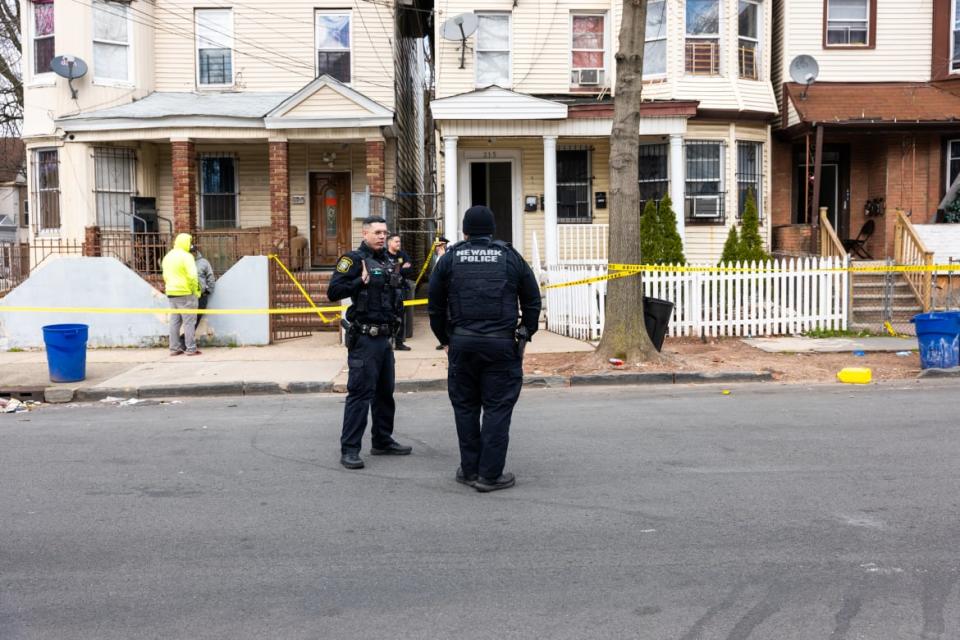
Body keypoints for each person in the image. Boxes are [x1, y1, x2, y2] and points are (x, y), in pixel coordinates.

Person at [428, 206, 541, 492]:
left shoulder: (450, 258)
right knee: (497, 409)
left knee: (465, 408)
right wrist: (525, 334)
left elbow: (435, 306)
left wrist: (445, 340)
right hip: (501, 345)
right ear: (491, 230)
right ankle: (489, 475)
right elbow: (532, 300)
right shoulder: (510, 256)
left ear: (465, 232)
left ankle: (469, 471)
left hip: (462, 344)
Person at [327, 216, 412, 470]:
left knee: (385, 393)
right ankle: (350, 449)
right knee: (360, 394)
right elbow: (333, 292)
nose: (382, 236)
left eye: (384, 232)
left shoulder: (387, 259)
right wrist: (359, 281)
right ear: (365, 233)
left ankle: (382, 440)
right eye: (376, 232)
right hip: (365, 338)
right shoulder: (353, 260)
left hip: (385, 339)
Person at [161, 233, 202, 356]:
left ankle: (174, 348)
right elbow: (193, 276)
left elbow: (165, 275)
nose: (191, 245)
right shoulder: (187, 256)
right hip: (186, 293)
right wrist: (196, 291)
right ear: (186, 243)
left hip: (171, 293)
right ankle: (190, 348)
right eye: (190, 242)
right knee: (189, 322)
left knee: (175, 322)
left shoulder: (167, 256)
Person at [180, 245, 216, 352]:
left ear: (196, 251)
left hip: (201, 295)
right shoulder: (184, 262)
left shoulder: (203, 262)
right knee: (188, 320)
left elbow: (210, 276)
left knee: (196, 318)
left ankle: (184, 339)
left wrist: (209, 289)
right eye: (189, 252)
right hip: (187, 294)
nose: (192, 253)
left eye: (193, 251)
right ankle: (185, 342)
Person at [386, 233, 414, 351]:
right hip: (386, 291)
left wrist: (396, 270)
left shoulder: (402, 255)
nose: (399, 244)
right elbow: (386, 273)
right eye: (396, 241)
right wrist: (400, 269)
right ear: (389, 242)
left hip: (399, 290)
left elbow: (410, 270)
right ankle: (387, 343)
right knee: (386, 317)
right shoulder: (383, 255)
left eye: (399, 241)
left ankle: (399, 343)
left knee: (400, 317)